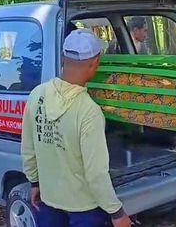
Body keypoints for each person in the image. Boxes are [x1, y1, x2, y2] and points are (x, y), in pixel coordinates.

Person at [21, 29, 132, 227]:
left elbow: (28, 150)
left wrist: (35, 183)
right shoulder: (88, 111)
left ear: (63, 58)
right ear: (95, 63)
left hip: (49, 202)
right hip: (85, 211)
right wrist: (117, 212)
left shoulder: (37, 95)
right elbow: (96, 174)